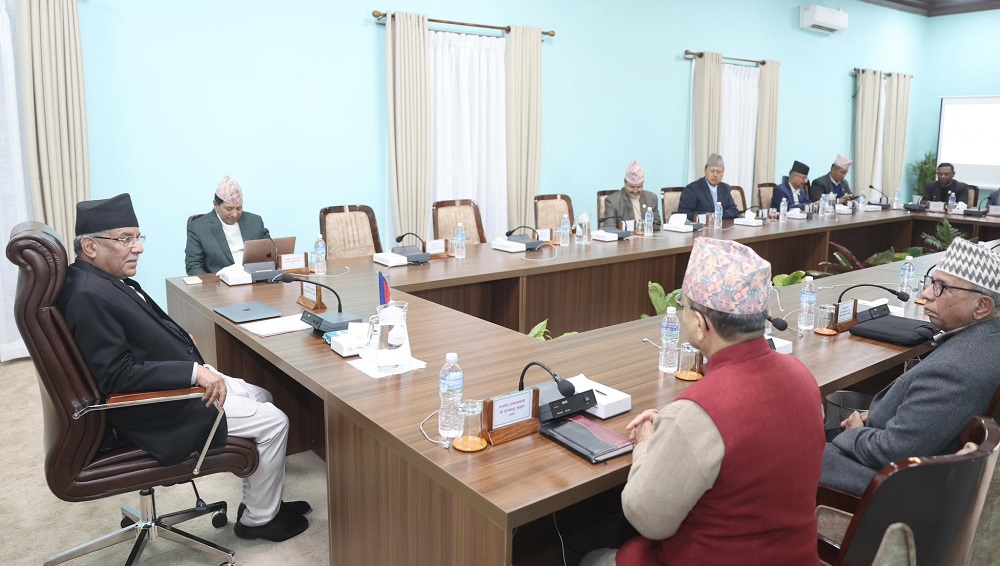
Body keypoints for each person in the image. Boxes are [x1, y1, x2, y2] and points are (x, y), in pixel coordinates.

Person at [60, 193, 310, 542]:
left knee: (261, 395)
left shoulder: (99, 279)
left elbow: (133, 332)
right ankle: (259, 520)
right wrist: (193, 372)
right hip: (159, 407)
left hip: (175, 382)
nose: (138, 248)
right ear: (90, 246)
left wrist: (178, 340)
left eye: (138, 237)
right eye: (125, 239)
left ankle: (261, 501)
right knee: (274, 421)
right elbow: (115, 375)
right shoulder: (89, 295)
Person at [581, 238, 824, 566]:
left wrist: (646, 444)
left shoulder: (697, 413)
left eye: (685, 306)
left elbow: (647, 518)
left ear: (700, 324)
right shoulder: (803, 377)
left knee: (594, 558)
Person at [821, 237, 1000, 496]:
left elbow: (893, 452)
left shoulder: (956, 370)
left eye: (941, 287)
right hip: (919, 461)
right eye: (932, 282)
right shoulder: (988, 340)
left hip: (894, 487)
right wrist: (880, 413)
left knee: (794, 455)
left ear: (982, 306)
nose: (926, 294)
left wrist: (854, 432)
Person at [185, 176, 270, 275]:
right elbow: (193, 266)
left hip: (254, 278)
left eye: (239, 208)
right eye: (229, 209)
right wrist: (212, 283)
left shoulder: (255, 221)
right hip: (219, 281)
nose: (235, 214)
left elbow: (269, 253)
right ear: (216, 205)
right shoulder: (198, 227)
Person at [677, 153, 741, 220]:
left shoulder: (725, 189)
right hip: (701, 226)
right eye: (712, 171)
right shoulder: (692, 188)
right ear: (705, 171)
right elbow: (684, 212)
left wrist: (716, 216)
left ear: (723, 173)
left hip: (721, 225)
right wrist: (707, 217)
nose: (715, 175)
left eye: (719, 172)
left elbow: (734, 210)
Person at [602, 161, 662, 231]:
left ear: (643, 183)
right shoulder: (612, 201)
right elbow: (610, 228)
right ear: (625, 183)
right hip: (624, 237)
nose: (635, 191)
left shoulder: (651, 198)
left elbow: (657, 224)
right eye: (632, 187)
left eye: (639, 187)